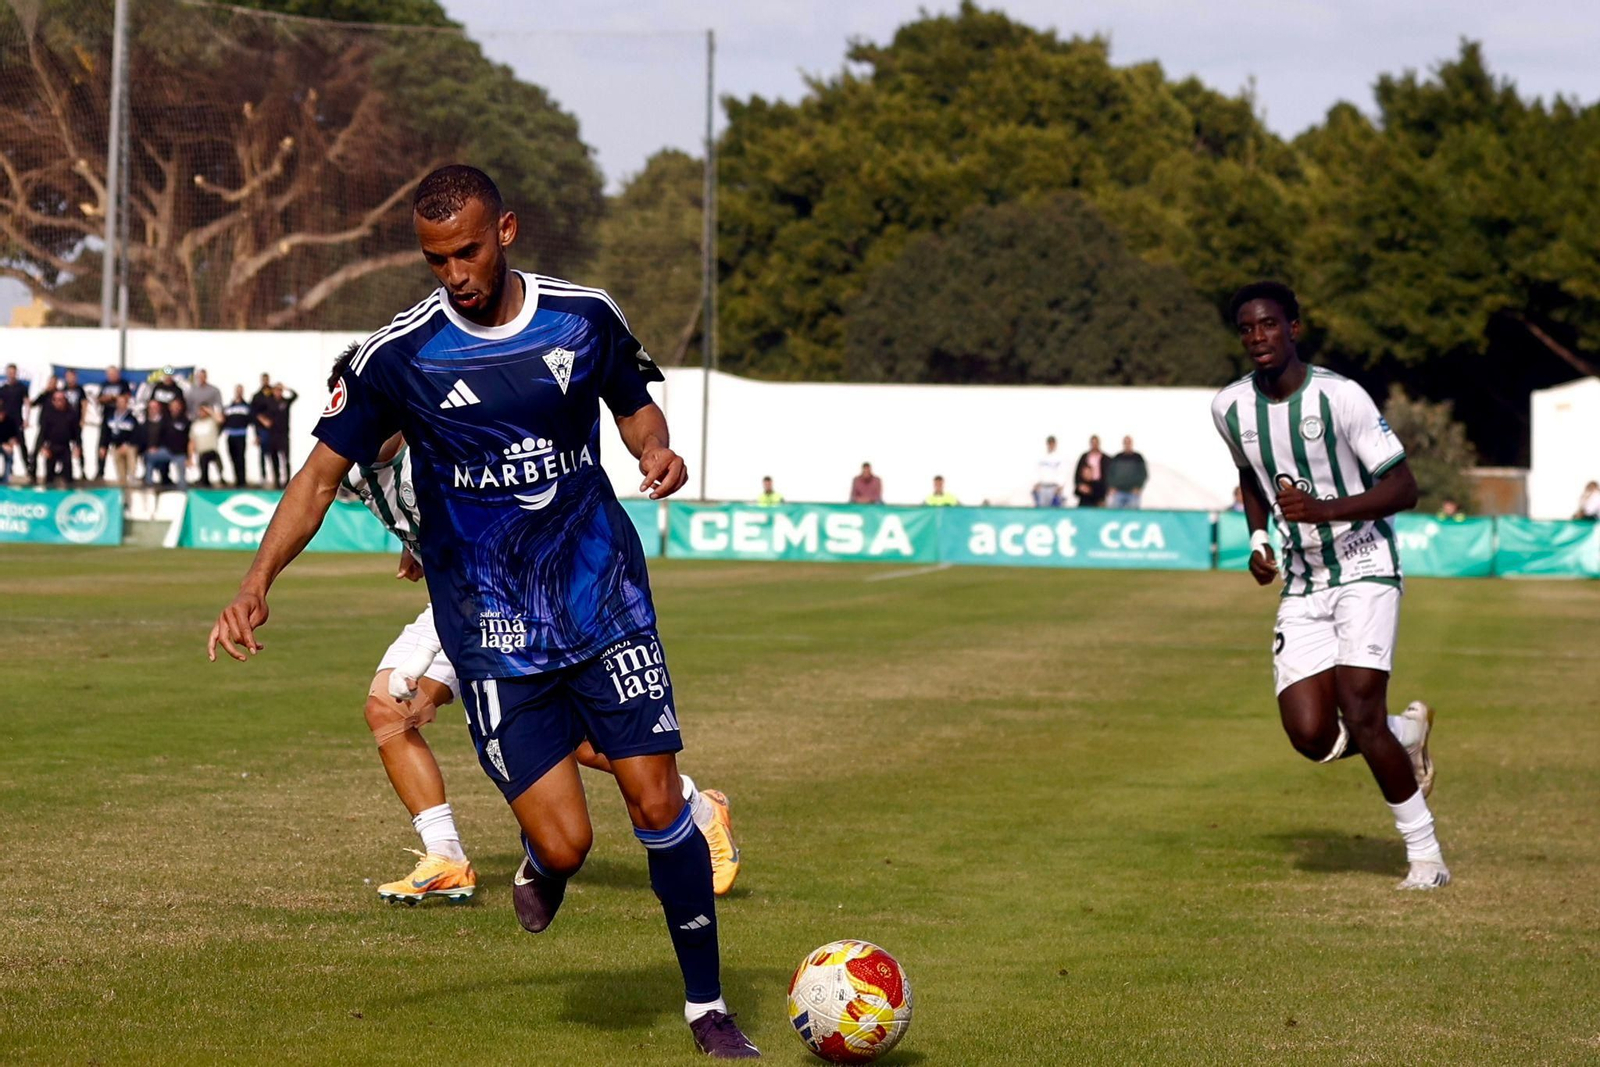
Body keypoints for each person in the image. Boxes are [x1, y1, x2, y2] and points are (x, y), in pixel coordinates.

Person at [207, 165, 759, 1058]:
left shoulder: (585, 316)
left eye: (467, 250)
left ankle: (708, 1008)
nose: (455, 272)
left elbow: (636, 410)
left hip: (601, 591)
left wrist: (658, 452)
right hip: (489, 621)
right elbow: (317, 478)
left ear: (505, 228)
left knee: (658, 799)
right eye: (436, 259)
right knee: (569, 842)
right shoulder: (399, 354)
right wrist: (254, 580)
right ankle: (546, 860)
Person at [321, 344, 742, 906]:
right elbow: (404, 512)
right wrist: (417, 547)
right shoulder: (348, 468)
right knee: (388, 710)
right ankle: (445, 857)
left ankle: (694, 807)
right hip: (462, 601)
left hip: (524, 598)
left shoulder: (441, 439)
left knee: (565, 735)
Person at [1211, 280, 1446, 892]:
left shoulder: (1341, 397)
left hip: (1365, 566)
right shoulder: (1229, 408)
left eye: (1269, 325)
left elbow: (1404, 489)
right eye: (1247, 329)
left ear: (1294, 327)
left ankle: (1425, 858)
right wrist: (1259, 542)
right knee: (1312, 738)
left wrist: (1327, 511)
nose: (1258, 337)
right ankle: (1407, 734)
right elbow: (1250, 477)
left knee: (1361, 714)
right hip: (1303, 581)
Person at [94, 365, 133, 481]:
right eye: (109, 374)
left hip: (121, 416)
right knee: (102, 444)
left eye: (114, 374)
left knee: (123, 442)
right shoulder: (104, 384)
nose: (111, 376)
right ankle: (100, 471)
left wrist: (113, 397)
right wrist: (108, 398)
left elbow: (127, 397)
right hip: (107, 416)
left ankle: (128, 474)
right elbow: (99, 399)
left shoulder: (123, 384)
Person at [36, 389, 77, 487]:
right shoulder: (48, 414)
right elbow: (42, 433)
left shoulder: (71, 413)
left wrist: (77, 446)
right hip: (51, 446)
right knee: (49, 475)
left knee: (68, 474)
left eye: (61, 400)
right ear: (53, 401)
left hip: (65, 446)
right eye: (56, 400)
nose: (59, 402)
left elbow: (76, 432)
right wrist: (43, 448)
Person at [102, 393, 141, 490]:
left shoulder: (132, 417)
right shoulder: (110, 416)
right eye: (118, 402)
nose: (120, 404)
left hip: (128, 446)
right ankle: (123, 489)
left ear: (126, 404)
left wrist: (127, 444)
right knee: (120, 474)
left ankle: (132, 478)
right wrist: (103, 446)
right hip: (116, 446)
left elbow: (136, 434)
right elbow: (105, 433)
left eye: (122, 402)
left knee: (131, 455)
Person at [0, 364, 30, 482]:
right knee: (6, 448)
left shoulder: (21, 387)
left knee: (22, 446)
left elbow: (27, 403)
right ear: (7, 373)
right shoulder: (3, 389)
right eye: (9, 372)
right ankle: (8, 473)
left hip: (17, 421)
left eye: (13, 372)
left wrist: (27, 419)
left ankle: (29, 470)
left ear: (16, 373)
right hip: (5, 423)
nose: (11, 374)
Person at [266, 382, 298, 487]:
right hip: (273, 434)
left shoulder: (285, 401)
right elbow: (256, 412)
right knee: (274, 459)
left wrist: (286, 387)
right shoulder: (270, 402)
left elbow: (295, 395)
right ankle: (277, 480)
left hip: (283, 434)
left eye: (280, 390)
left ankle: (287, 480)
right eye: (276, 390)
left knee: (285, 458)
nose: (278, 392)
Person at [1105, 436, 1148, 509]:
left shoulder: (1138, 457)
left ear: (1132, 443)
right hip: (1118, 492)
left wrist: (1139, 487)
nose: (1127, 444)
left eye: (1129, 442)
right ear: (1123, 444)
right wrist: (1111, 487)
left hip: (1133, 493)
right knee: (1115, 516)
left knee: (1133, 517)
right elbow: (1110, 473)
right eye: (1125, 442)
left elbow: (1143, 474)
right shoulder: (1117, 457)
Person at [221, 385, 252, 487]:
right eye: (237, 390)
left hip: (241, 435)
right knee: (232, 458)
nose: (239, 392)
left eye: (240, 391)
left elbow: (251, 420)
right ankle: (236, 479)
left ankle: (242, 481)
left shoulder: (246, 407)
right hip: (230, 435)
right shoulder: (229, 407)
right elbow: (223, 421)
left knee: (240, 458)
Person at [191, 397, 224, 488]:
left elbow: (220, 419)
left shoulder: (212, 422)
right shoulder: (195, 424)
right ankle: (204, 482)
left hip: (211, 451)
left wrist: (209, 411)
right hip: (200, 452)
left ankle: (217, 479)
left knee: (206, 459)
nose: (202, 413)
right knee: (202, 460)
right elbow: (192, 441)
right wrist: (190, 457)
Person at [250, 373, 275, 484]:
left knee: (274, 453)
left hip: (275, 430)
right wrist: (257, 433)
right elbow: (254, 414)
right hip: (262, 429)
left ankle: (276, 476)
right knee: (263, 453)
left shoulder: (273, 394)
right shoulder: (257, 396)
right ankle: (263, 476)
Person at [1074, 434, 1107, 507]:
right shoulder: (1084, 456)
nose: (1094, 445)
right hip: (1086, 485)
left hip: (1099, 486)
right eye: (1093, 443)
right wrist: (1080, 485)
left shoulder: (1105, 458)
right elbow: (1077, 473)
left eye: (1096, 443)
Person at [1033, 435, 1065, 507]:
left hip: (1054, 488)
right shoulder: (1042, 457)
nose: (1051, 445)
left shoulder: (1059, 458)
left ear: (1055, 444)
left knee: (1055, 511)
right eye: (1049, 443)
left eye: (1052, 443)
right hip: (1043, 487)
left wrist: (1060, 486)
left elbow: (1062, 472)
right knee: (1042, 509)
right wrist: (1036, 483)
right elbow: (1038, 471)